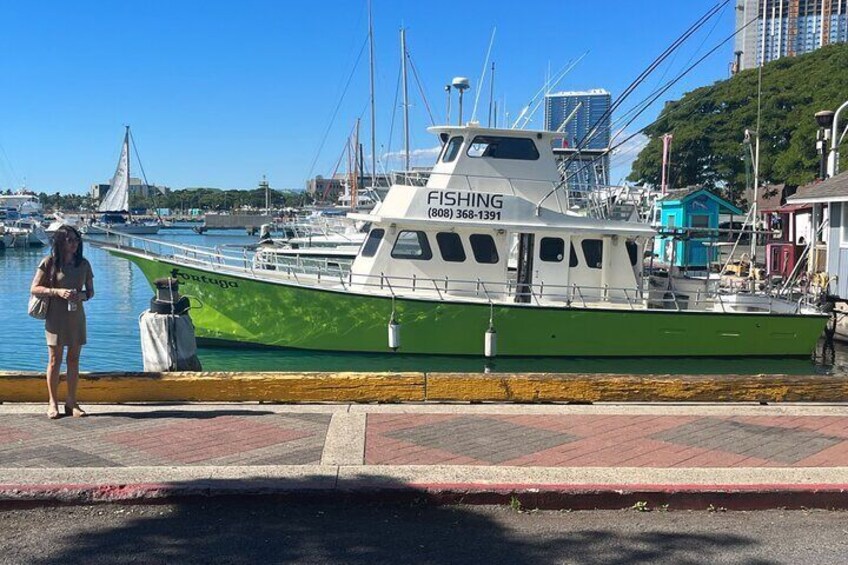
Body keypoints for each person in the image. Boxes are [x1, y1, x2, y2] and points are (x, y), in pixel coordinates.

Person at [30, 225, 94, 419]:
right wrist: (56, 292)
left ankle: (72, 402)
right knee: (54, 360)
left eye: (76, 240)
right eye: (70, 240)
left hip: (76, 316)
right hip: (55, 317)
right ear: (60, 242)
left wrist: (80, 295)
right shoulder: (49, 263)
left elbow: (90, 292)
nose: (74, 244)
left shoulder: (83, 264)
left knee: (73, 360)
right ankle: (52, 402)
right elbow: (34, 288)